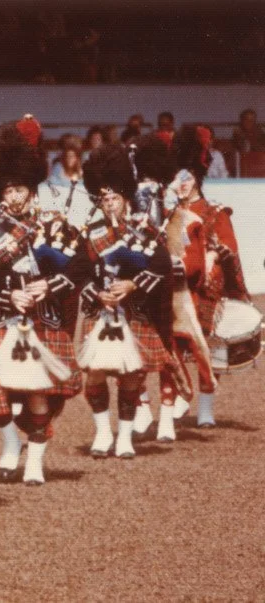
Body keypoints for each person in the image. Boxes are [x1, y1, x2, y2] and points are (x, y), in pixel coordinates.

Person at [0, 116, 82, 484]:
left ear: (32, 188)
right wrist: (9, 293)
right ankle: (10, 441)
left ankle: (35, 462)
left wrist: (49, 286)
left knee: (38, 391)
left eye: (19, 188)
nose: (13, 196)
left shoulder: (53, 222)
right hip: (4, 312)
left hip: (43, 314)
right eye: (7, 191)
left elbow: (80, 267)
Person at [73, 144, 177, 459]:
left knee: (132, 376)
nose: (109, 204)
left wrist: (133, 284)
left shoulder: (145, 231)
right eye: (104, 199)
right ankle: (103, 432)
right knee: (95, 372)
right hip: (100, 312)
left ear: (126, 198)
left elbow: (162, 267)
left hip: (134, 311)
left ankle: (125, 437)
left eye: (114, 198)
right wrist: (96, 293)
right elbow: (78, 272)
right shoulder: (89, 234)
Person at [172, 125, 250, 426]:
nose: (181, 184)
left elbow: (229, 246)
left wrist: (212, 255)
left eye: (186, 178)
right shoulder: (168, 214)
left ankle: (206, 406)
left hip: (207, 286)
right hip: (177, 287)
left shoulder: (215, 211)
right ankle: (180, 393)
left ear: (197, 179)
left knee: (211, 347)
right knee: (172, 342)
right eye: (177, 178)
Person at [128, 133, 202, 441]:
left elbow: (177, 234)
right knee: (139, 344)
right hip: (141, 272)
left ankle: (163, 413)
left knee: (162, 344)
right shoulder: (134, 192)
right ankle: (147, 408)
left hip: (162, 273)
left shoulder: (166, 196)